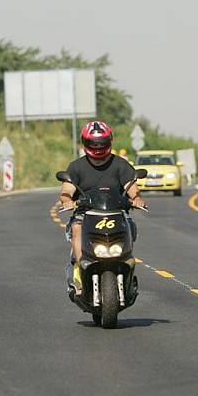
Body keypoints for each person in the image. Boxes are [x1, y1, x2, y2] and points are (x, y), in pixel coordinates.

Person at [60, 121, 145, 293]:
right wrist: (67, 201)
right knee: (76, 227)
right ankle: (80, 271)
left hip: (116, 213)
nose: (98, 147)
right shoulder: (76, 167)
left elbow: (133, 189)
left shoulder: (120, 165)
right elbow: (66, 192)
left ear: (110, 141)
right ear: (85, 143)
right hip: (86, 214)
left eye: (102, 143)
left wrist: (137, 200)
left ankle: (127, 265)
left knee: (129, 225)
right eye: (93, 144)